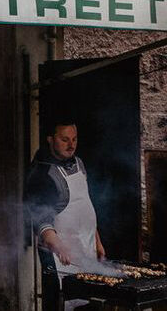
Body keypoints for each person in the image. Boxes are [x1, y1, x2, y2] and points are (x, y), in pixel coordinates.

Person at [24, 121, 106, 311]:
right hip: (59, 258)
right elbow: (40, 220)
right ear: (50, 140)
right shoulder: (42, 173)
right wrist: (60, 248)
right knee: (60, 303)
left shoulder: (79, 163)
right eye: (64, 140)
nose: (71, 144)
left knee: (87, 304)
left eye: (74, 139)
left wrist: (97, 242)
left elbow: (85, 206)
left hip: (86, 249)